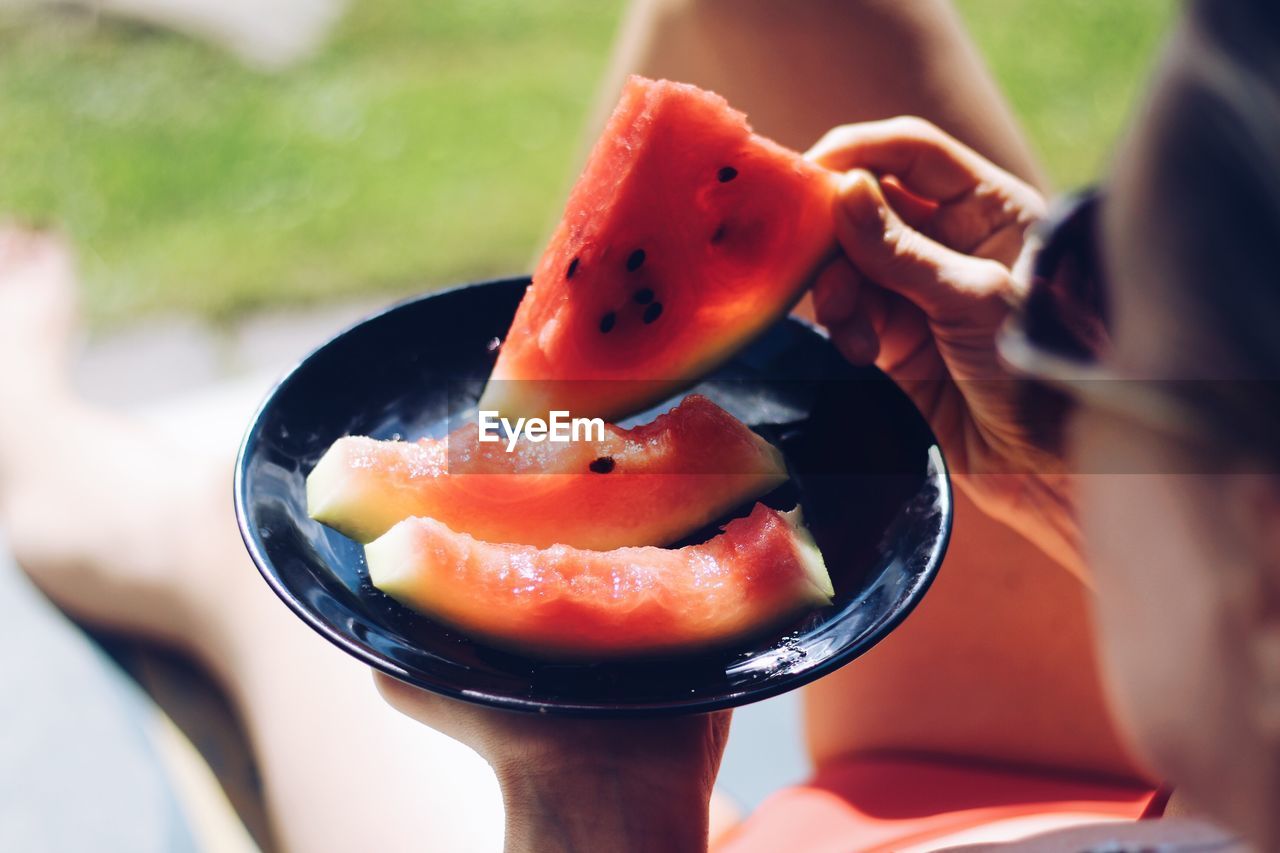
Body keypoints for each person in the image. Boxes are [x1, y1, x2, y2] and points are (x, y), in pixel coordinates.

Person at [0, 2, 1172, 852]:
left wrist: (597, 796)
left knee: (238, 547)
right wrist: (1105, 468)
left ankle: (105, 494)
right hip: (1151, 736)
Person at [378, 0, 1280, 850]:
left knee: (263, 595)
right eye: (1078, 257)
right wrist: (1071, 490)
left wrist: (595, 804)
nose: (1068, 360)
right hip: (1142, 741)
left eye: (1112, 305)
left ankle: (225, 541)